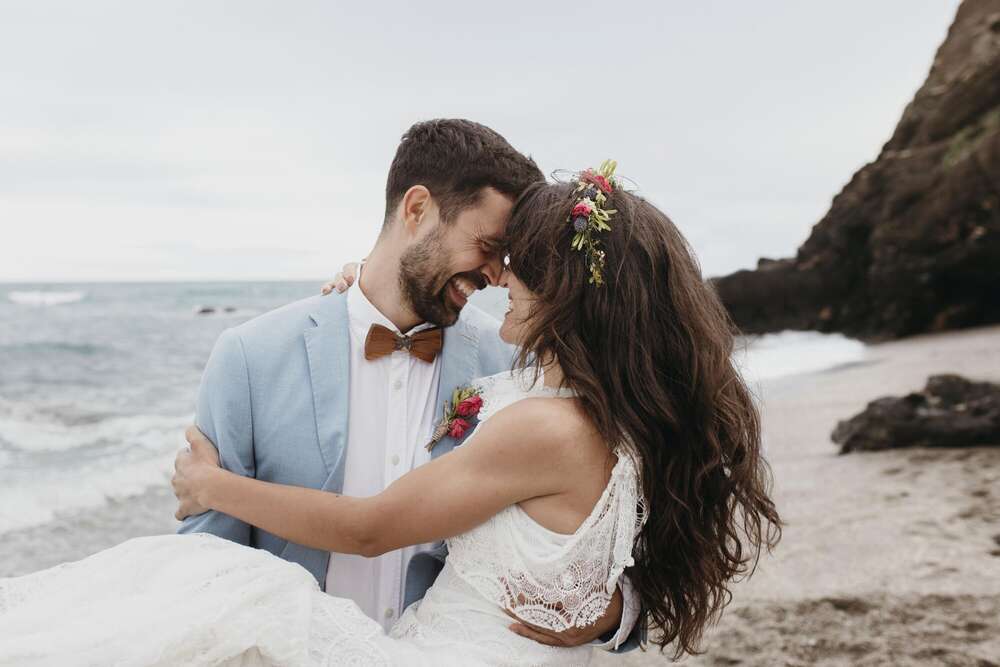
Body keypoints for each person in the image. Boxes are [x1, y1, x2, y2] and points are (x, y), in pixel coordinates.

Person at [0, 159, 781, 665]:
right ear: (416, 209)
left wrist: (614, 609)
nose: (500, 272)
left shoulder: (498, 371)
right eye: (490, 247)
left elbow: (378, 526)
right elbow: (207, 555)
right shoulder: (255, 354)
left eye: (516, 260)